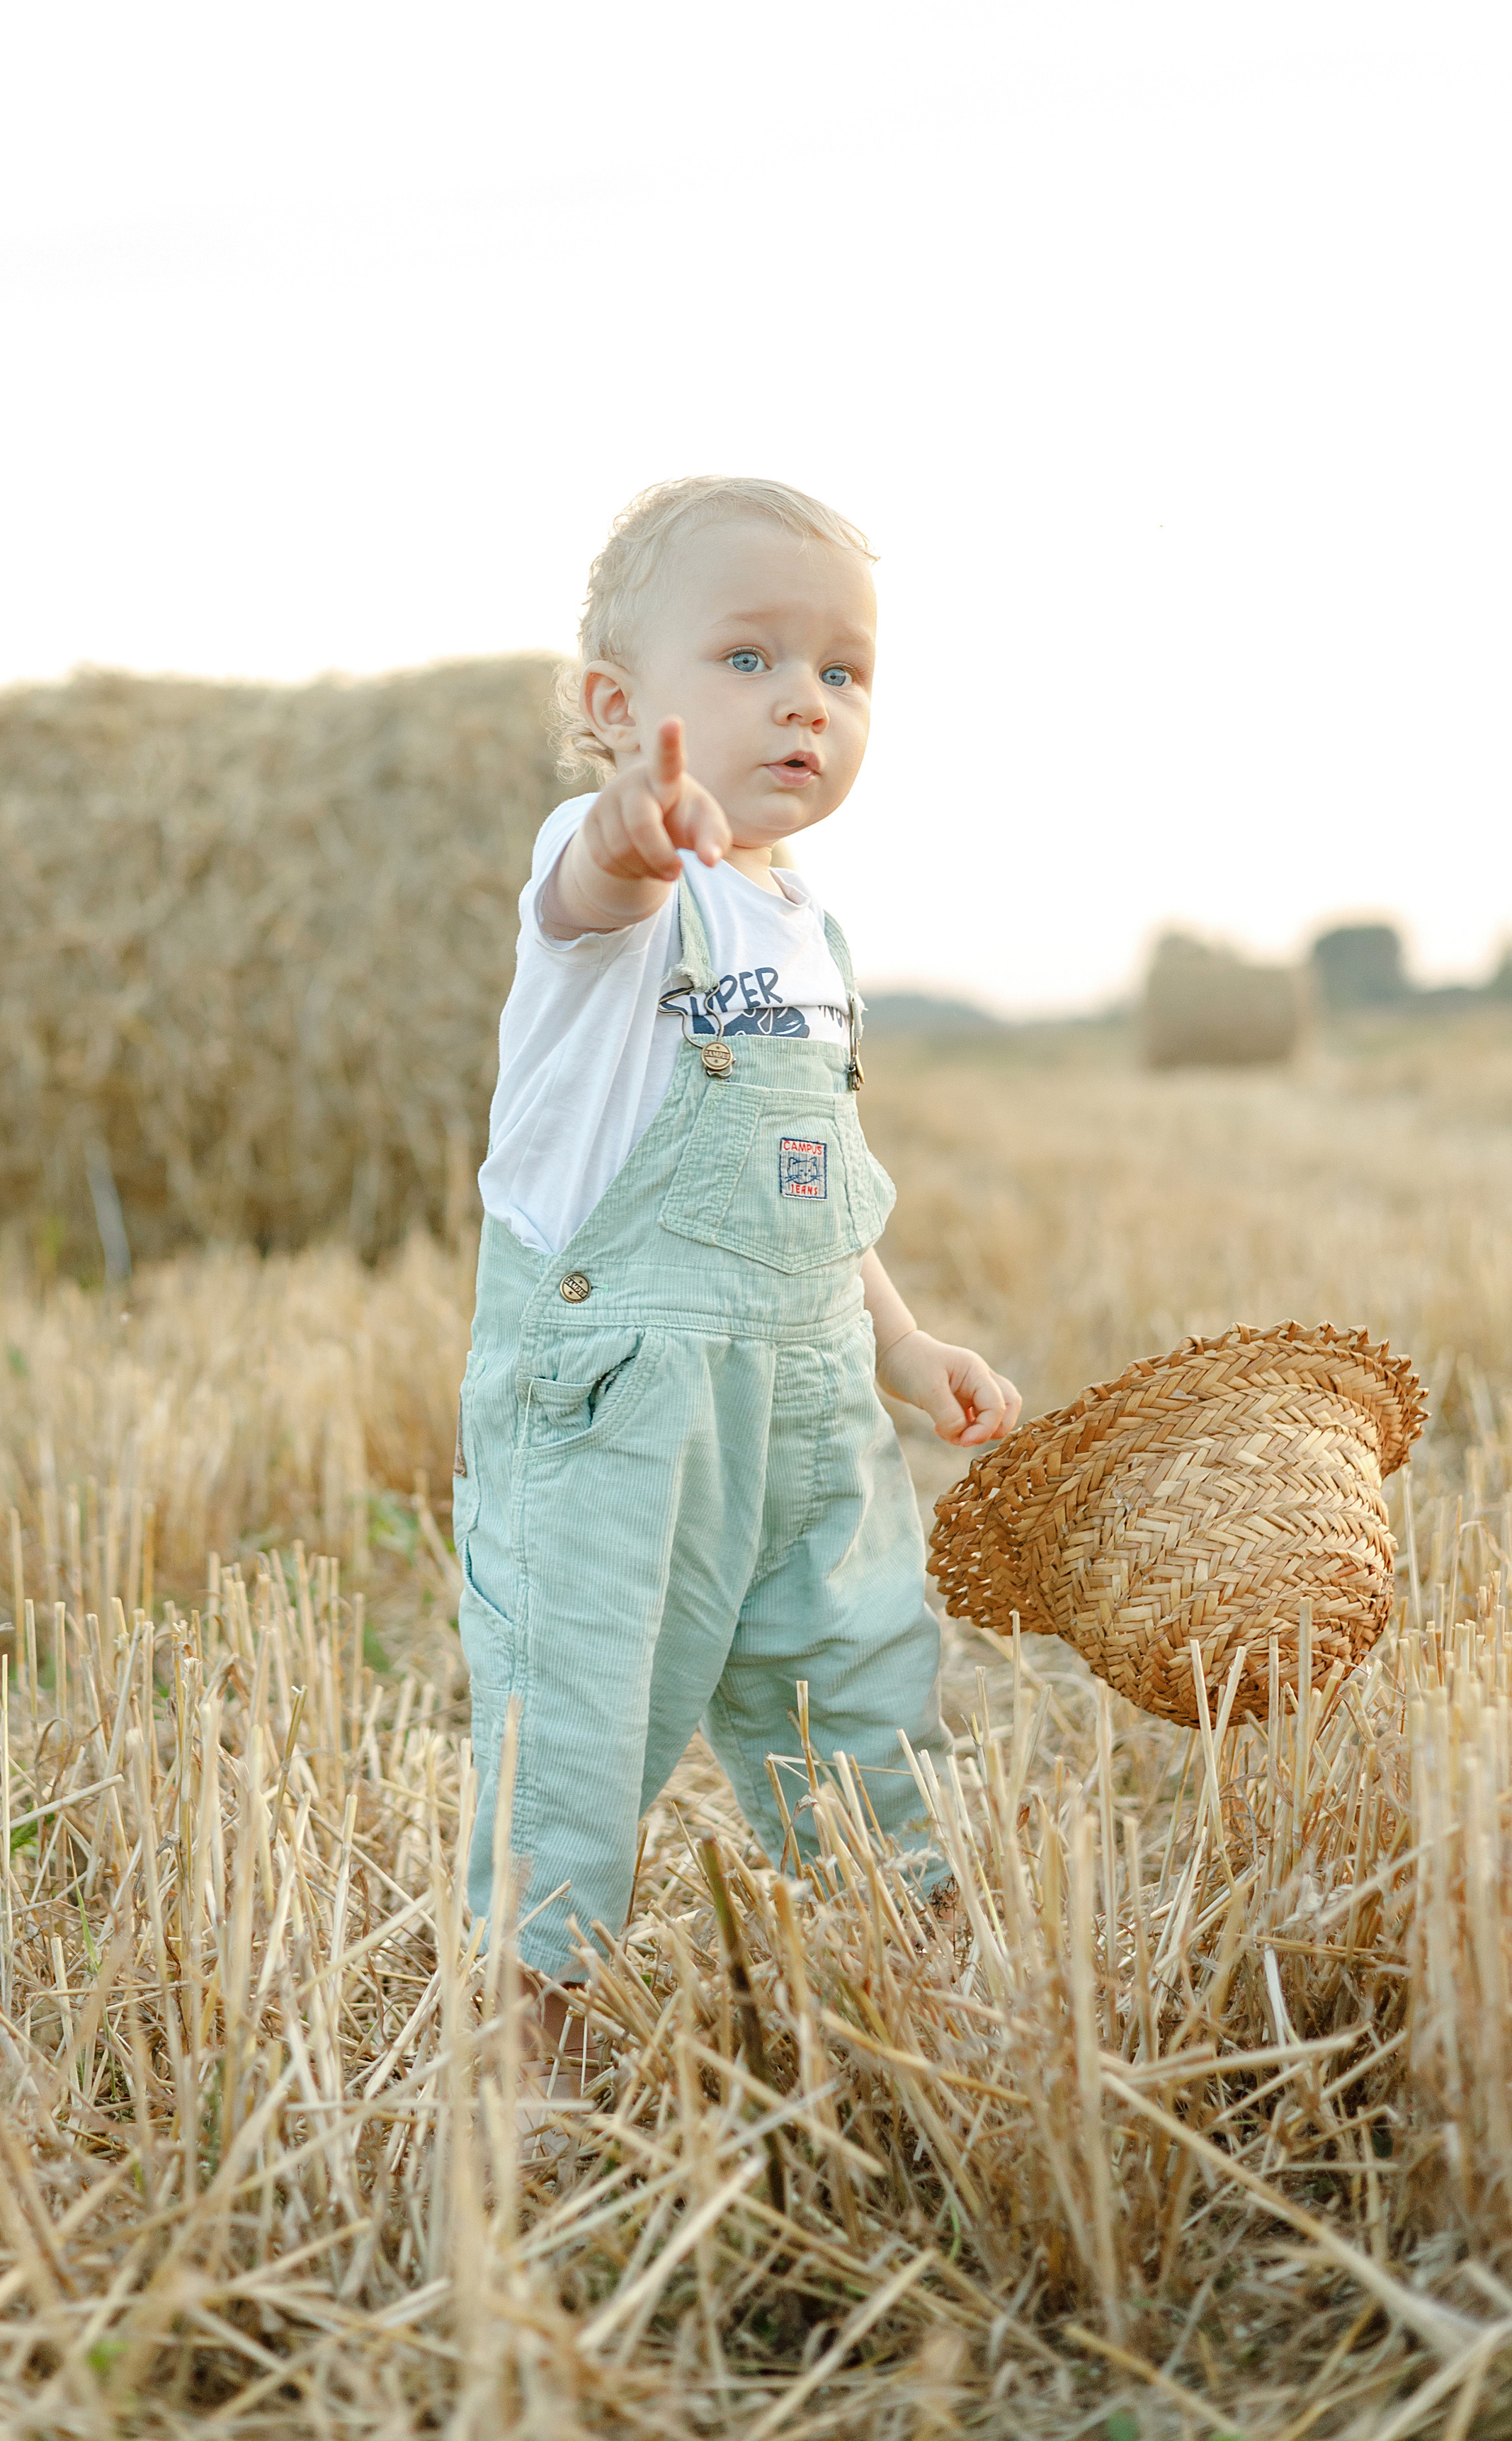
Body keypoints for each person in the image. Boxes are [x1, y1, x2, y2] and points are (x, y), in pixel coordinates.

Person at [454, 477, 1021, 2122]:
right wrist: (636, 822)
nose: (804, 702)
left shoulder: (807, 929)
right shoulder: (607, 881)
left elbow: (814, 1175)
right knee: (577, 1731)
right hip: (623, 1405)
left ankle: (943, 2007)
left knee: (863, 1684)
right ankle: (521, 2070)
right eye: (752, 655)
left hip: (807, 1392)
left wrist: (902, 1342)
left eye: (843, 674)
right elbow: (597, 882)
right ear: (618, 710)